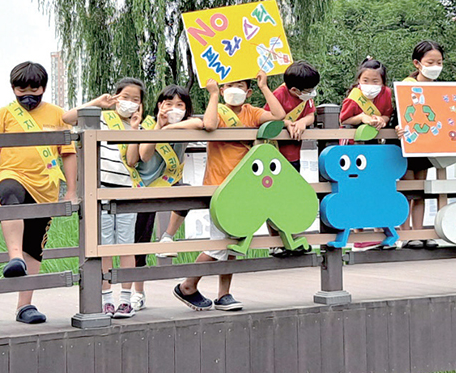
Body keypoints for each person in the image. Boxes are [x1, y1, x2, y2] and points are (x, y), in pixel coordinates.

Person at [171, 72, 285, 311]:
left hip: (244, 187)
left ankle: (224, 294)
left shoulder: (252, 112)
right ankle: (188, 285)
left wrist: (265, 87)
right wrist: (213, 95)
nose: (235, 89)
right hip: (220, 187)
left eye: (240, 85)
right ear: (222, 90)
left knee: (234, 243)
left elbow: (278, 116)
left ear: (248, 91)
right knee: (218, 245)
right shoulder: (219, 110)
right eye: (229, 85)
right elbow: (210, 125)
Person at [0, 61, 77, 324]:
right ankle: (14, 257)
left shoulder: (58, 115)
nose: (27, 94)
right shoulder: (3, 114)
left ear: (43, 88)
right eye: (20, 88)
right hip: (10, 174)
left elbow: (68, 153)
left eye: (33, 89)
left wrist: (71, 190)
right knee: (12, 194)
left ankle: (25, 306)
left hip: (46, 187)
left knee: (35, 246)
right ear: (13, 88)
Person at [63, 78, 144, 318]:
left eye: (135, 99)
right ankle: (107, 298)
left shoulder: (141, 124)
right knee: (105, 246)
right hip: (100, 190)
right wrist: (99, 103)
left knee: (127, 246)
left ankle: (126, 300)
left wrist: (135, 129)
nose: (129, 103)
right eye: (125, 97)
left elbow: (132, 160)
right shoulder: (100, 117)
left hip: (127, 189)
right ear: (116, 96)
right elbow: (68, 118)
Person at [129, 85, 194, 311]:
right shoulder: (148, 125)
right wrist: (159, 126)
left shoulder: (187, 127)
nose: (173, 109)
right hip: (144, 188)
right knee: (140, 241)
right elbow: (144, 156)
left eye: (180, 105)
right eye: (168, 104)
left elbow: (205, 124)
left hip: (170, 183)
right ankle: (138, 292)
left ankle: (167, 236)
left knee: (187, 193)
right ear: (159, 106)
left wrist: (176, 124)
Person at [339, 58, 394, 250]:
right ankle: (358, 235)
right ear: (359, 80)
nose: (370, 85)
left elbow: (388, 113)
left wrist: (383, 120)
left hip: (375, 146)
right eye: (365, 80)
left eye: (375, 81)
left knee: (376, 189)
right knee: (356, 189)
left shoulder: (386, 94)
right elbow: (344, 118)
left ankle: (380, 232)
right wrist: (362, 117)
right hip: (355, 148)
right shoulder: (354, 96)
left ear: (383, 82)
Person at [269, 60, 320, 257]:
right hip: (275, 157)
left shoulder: (306, 97)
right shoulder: (278, 95)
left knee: (291, 199)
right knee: (273, 199)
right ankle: (276, 242)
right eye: (308, 89)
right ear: (294, 89)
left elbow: (312, 115)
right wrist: (287, 123)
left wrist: (304, 122)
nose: (312, 92)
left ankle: (294, 238)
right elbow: (268, 116)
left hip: (293, 156)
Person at [398, 41, 444, 249]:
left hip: (428, 144)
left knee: (421, 188)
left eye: (439, 62)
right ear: (417, 63)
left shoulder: (440, 89)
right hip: (407, 144)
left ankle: (421, 230)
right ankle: (406, 233)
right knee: (408, 188)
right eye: (430, 62)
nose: (435, 66)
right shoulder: (405, 86)